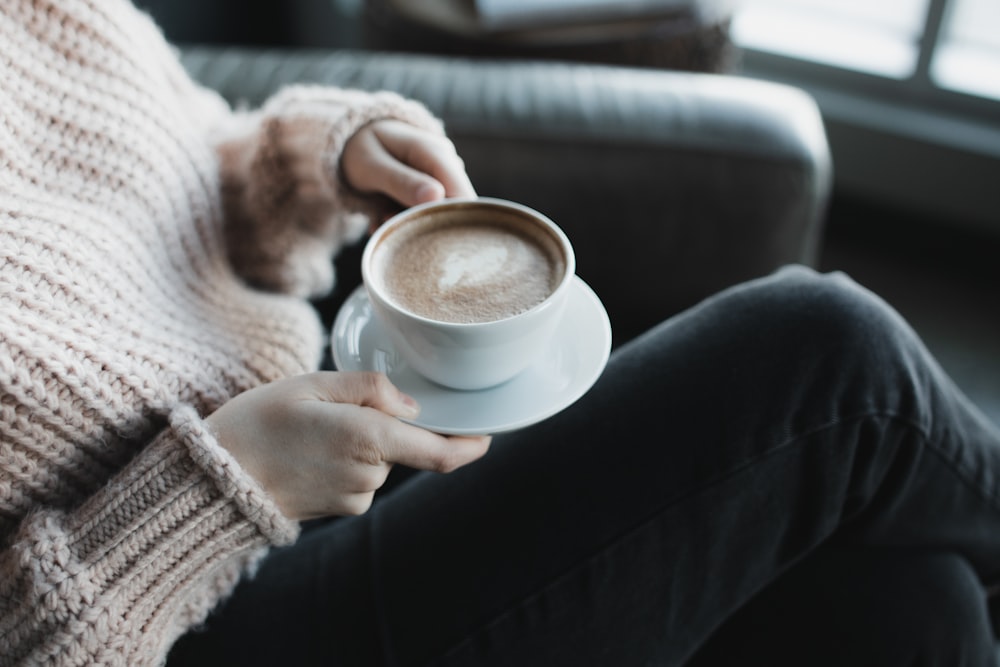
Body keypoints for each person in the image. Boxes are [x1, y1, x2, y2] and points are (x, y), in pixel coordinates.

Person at [1, 1, 998, 665]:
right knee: (825, 356)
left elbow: (199, 153)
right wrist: (229, 483)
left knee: (911, 605)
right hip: (209, 612)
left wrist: (322, 160)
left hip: (335, 445)